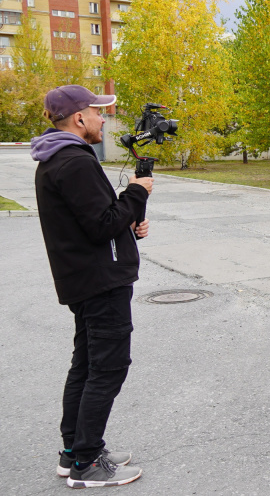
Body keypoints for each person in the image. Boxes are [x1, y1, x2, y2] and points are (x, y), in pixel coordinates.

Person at [32, 85, 152, 488]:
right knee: (108, 367)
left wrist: (131, 218)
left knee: (86, 366)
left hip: (87, 279)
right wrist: (137, 193)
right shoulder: (74, 162)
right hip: (101, 283)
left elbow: (97, 219)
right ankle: (86, 463)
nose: (104, 119)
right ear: (79, 119)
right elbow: (101, 226)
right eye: (98, 113)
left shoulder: (59, 159)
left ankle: (75, 451)